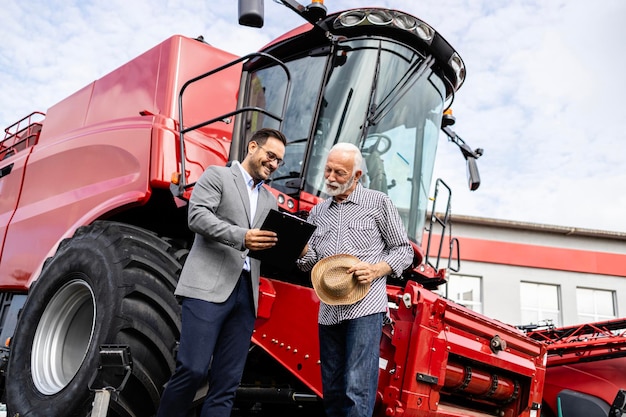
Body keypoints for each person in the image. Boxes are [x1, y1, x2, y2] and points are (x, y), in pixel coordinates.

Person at [156, 128, 287, 417]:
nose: (274, 164)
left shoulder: (269, 200)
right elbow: (198, 217)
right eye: (270, 155)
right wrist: (242, 237)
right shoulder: (217, 175)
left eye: (279, 160)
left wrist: (292, 248)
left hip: (246, 295)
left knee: (227, 384)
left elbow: (266, 245)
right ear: (253, 147)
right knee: (192, 368)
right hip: (208, 286)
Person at [297, 142, 413, 417]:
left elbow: (404, 250)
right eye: (327, 170)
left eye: (339, 172)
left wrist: (375, 269)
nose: (330, 178)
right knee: (333, 390)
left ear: (356, 176)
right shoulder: (317, 213)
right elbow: (310, 265)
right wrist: (299, 248)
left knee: (357, 387)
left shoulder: (378, 203)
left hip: (365, 306)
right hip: (329, 310)